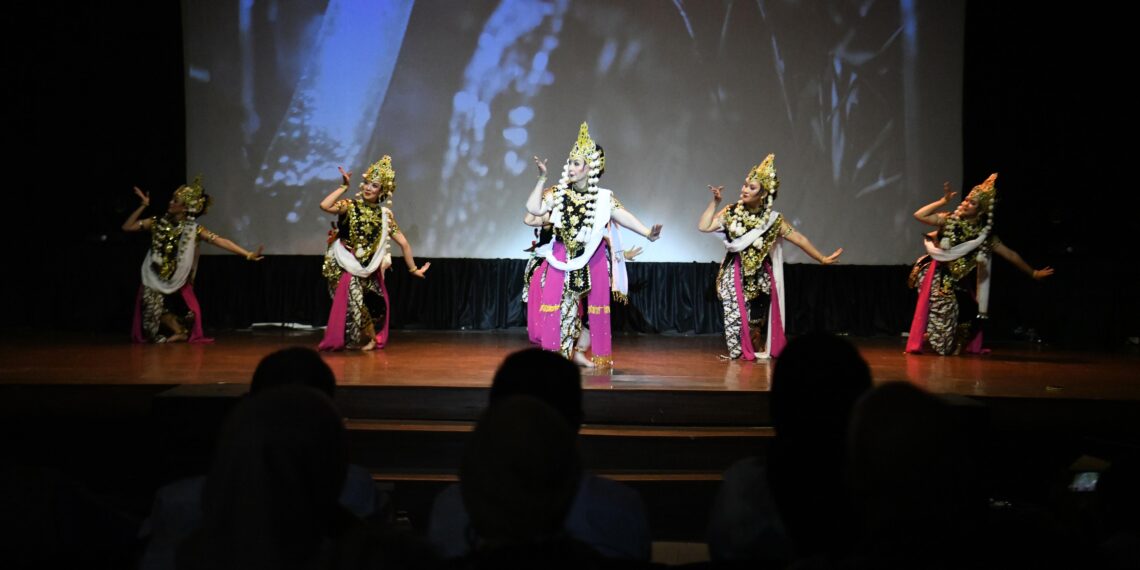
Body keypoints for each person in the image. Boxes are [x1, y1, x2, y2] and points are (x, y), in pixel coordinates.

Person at [524, 122, 661, 367]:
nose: (571, 167)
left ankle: (578, 356)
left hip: (592, 261)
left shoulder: (603, 198)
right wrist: (542, 179)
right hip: (561, 258)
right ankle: (558, 360)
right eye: (571, 162)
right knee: (560, 311)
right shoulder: (559, 192)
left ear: (591, 168)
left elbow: (623, 215)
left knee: (593, 312)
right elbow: (533, 209)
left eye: (577, 163)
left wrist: (647, 233)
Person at [697, 154, 842, 360]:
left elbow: (799, 238)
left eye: (752, 187)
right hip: (734, 273)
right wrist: (715, 202)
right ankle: (738, 354)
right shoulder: (731, 212)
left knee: (755, 320)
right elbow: (703, 226)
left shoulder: (773, 221)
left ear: (764, 194)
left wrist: (822, 258)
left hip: (759, 277)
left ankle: (753, 348)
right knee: (734, 317)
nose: (745, 189)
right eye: (745, 185)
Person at [906, 173, 1054, 355]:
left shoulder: (984, 236)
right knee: (943, 343)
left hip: (956, 280)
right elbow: (919, 215)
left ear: (981, 210)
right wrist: (943, 201)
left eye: (973, 203)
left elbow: (1010, 254)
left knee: (973, 313)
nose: (967, 204)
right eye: (967, 200)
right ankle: (938, 337)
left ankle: (946, 337)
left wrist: (1033, 273)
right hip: (936, 274)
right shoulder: (949, 219)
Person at [123, 177, 264, 343]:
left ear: (184, 208)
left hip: (178, 276)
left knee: (190, 310)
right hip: (154, 275)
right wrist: (143, 205)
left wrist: (247, 254)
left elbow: (220, 241)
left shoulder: (194, 229)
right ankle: (179, 329)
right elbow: (127, 227)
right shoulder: (156, 222)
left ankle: (183, 330)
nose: (170, 202)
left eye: (175, 200)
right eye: (171, 199)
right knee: (150, 330)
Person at [318, 155, 429, 351]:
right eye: (367, 183)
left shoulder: (385, 216)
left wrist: (413, 269)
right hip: (344, 263)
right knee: (354, 300)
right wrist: (344, 187)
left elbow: (404, 243)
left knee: (375, 305)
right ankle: (355, 338)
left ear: (382, 191)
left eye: (375, 185)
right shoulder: (350, 206)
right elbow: (325, 206)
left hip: (368, 267)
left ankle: (367, 338)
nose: (368, 188)